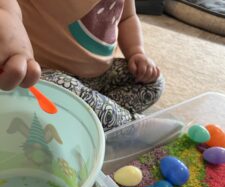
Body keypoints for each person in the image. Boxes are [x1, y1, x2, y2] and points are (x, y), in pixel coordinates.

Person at [0, 0, 164, 131]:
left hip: (102, 74)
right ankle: (129, 126)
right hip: (51, 75)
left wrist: (137, 53)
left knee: (153, 82)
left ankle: (97, 117)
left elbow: (127, 18)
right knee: (57, 91)